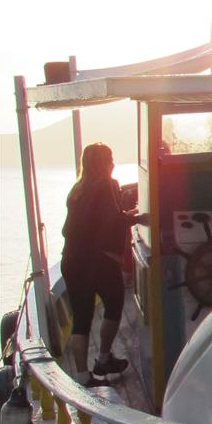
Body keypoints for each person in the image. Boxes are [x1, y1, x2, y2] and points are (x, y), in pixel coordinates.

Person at [61, 143, 146, 386]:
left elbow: (76, 226)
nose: (114, 163)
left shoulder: (77, 189)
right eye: (110, 159)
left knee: (81, 318)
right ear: (104, 163)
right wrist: (138, 217)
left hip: (71, 260)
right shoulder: (106, 184)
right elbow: (112, 219)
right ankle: (103, 359)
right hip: (97, 260)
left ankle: (82, 376)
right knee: (115, 304)